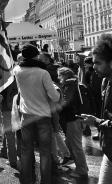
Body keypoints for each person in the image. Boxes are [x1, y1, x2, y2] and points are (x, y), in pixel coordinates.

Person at [14, 43, 60, 184]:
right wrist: (55, 89)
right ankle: (45, 181)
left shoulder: (17, 70)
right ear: (36, 55)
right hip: (42, 116)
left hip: (26, 115)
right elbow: (54, 97)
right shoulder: (43, 72)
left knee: (26, 151)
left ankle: (27, 180)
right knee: (45, 152)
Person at [81, 34, 112, 184]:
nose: (93, 67)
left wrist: (97, 122)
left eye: (98, 63)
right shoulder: (105, 81)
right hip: (109, 150)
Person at [57, 67, 89, 179]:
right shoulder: (75, 84)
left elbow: (66, 102)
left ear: (65, 75)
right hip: (76, 118)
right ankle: (81, 166)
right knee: (70, 144)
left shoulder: (69, 85)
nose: (58, 78)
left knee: (76, 146)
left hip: (72, 119)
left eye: (59, 75)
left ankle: (82, 170)